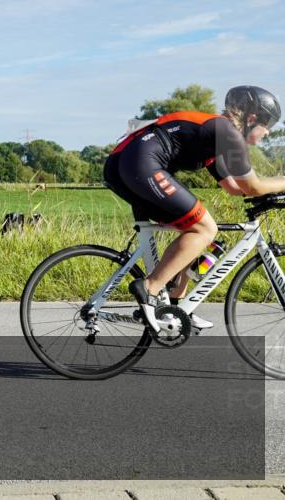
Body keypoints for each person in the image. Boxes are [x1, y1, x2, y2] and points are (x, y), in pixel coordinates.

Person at [103, 85, 285, 332]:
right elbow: (252, 186)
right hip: (139, 163)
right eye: (268, 127)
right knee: (204, 228)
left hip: (125, 165)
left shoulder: (216, 139)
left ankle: (176, 304)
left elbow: (234, 188)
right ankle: (150, 288)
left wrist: (274, 191)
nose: (267, 133)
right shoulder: (227, 132)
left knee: (201, 237)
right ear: (252, 119)